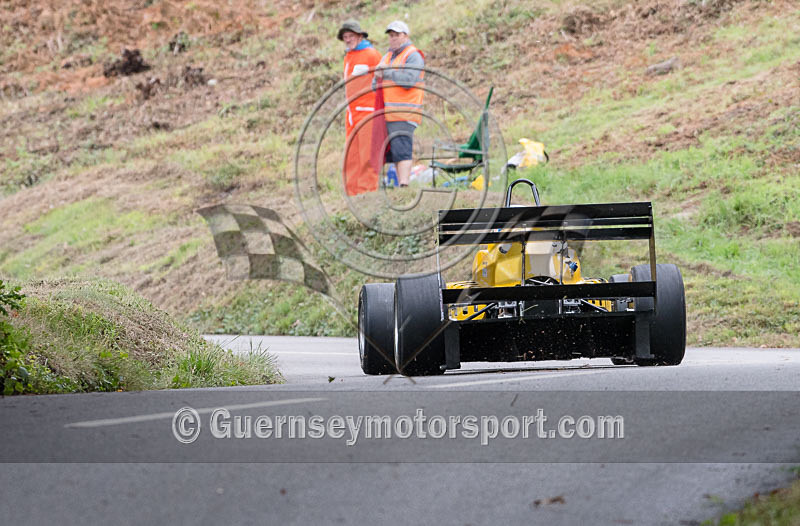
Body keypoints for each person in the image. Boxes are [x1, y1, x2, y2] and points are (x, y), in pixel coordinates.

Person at [373, 20, 425, 187]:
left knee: (402, 150)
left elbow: (409, 80)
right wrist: (377, 77)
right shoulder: (387, 57)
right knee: (395, 151)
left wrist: (387, 73)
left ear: (406, 36)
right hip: (388, 114)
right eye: (391, 35)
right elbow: (375, 84)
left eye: (397, 35)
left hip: (405, 112)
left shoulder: (413, 55)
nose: (393, 38)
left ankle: (404, 184)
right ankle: (401, 184)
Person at [338, 19, 382, 196]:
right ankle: (353, 195)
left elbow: (384, 80)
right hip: (352, 114)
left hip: (368, 113)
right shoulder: (348, 56)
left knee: (367, 157)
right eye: (345, 37)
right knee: (351, 157)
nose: (348, 39)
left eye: (351, 36)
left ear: (360, 36)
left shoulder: (372, 54)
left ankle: (368, 195)